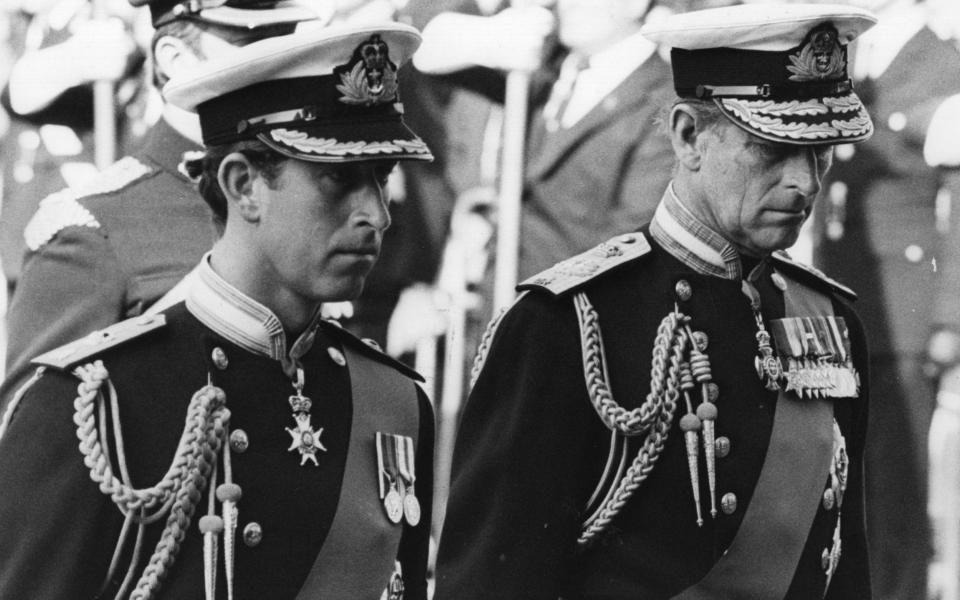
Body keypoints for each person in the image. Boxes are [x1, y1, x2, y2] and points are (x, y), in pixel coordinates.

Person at [435, 3, 876, 598]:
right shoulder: (564, 324)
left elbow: (845, 573)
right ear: (688, 136)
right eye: (774, 149)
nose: (805, 181)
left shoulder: (832, 324)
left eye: (819, 149)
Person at [0, 21, 435, 599]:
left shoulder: (395, 403)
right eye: (339, 180)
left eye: (381, 179)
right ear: (243, 185)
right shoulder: (94, 402)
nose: (376, 216)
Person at [0, 0, 316, 413]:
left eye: (282, 41)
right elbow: (33, 437)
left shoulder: (307, 200)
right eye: (251, 44)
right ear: (174, 58)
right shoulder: (92, 228)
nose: (277, 64)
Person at [810, 1, 960, 597]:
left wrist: (950, 318)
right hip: (840, 298)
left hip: (904, 309)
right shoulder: (842, 54)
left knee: (897, 488)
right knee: (845, 484)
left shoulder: (939, 60)